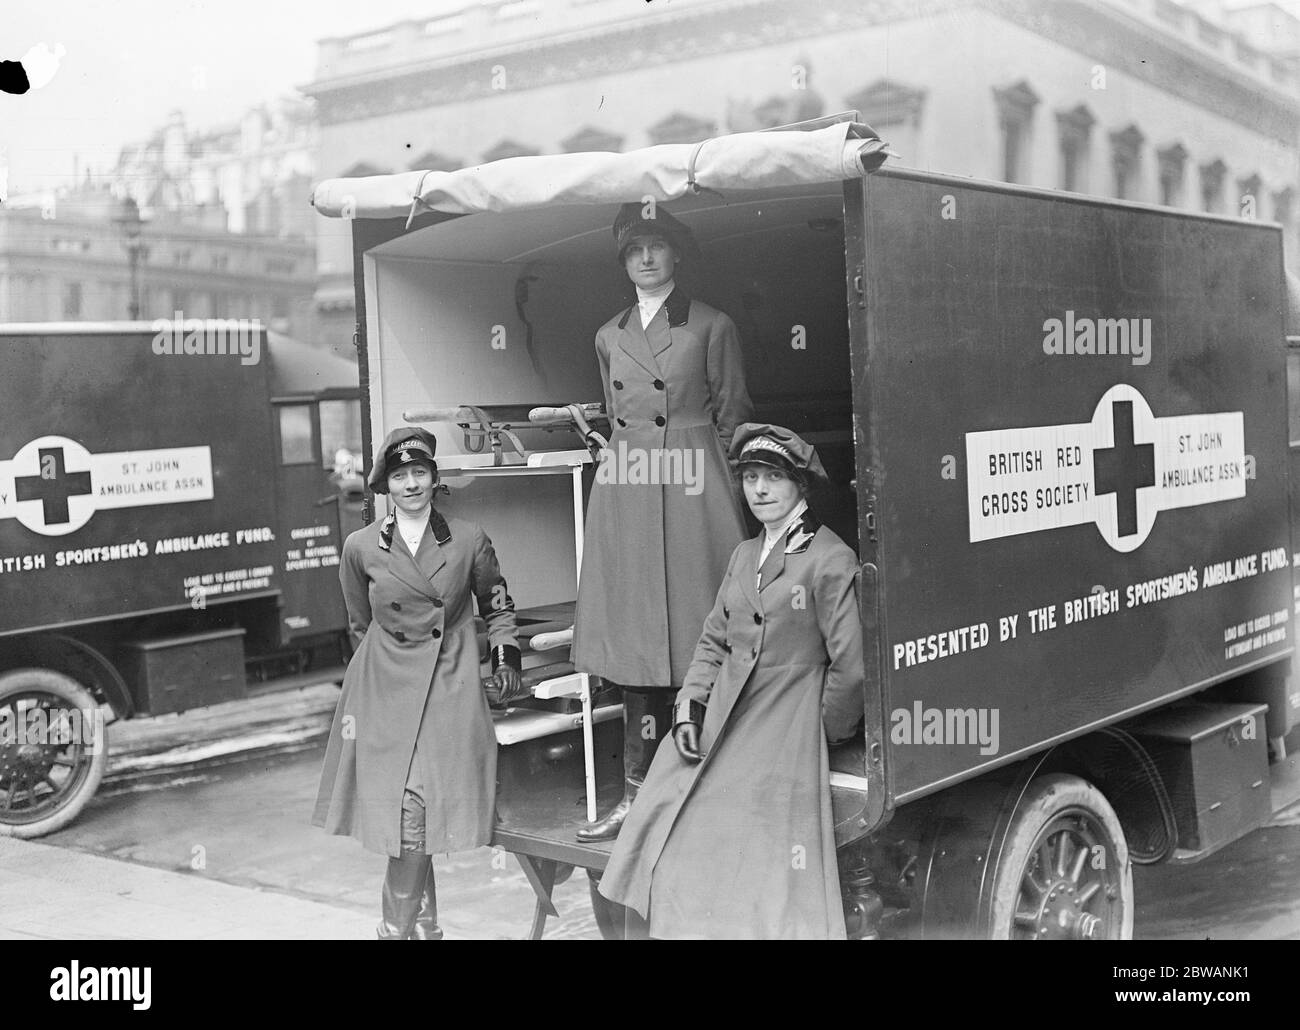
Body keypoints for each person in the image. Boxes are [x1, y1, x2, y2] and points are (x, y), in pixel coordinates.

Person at [597, 423, 865, 938]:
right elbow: (713, 641)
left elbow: (849, 666)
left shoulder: (829, 558)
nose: (760, 490)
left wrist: (819, 732)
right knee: (652, 832)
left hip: (782, 723)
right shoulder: (744, 555)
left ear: (800, 486)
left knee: (722, 856)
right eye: (751, 478)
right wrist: (689, 708)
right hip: (720, 718)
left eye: (773, 478)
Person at [572, 202, 754, 841]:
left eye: (657, 246)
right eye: (634, 250)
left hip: (693, 485)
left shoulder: (711, 326)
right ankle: (636, 796)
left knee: (699, 633)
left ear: (677, 254)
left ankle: (706, 788)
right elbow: (614, 412)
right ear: (623, 262)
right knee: (636, 642)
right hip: (628, 489)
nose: (646, 258)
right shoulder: (607, 333)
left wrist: (743, 507)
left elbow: (734, 420)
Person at [313, 427, 524, 939]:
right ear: (387, 485)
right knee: (408, 816)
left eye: (420, 473)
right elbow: (359, 623)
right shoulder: (360, 547)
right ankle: (413, 931)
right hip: (385, 688)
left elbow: (497, 604)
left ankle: (405, 931)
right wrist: (380, 670)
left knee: (421, 814)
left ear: (434, 479)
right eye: (401, 475)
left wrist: (504, 655)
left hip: (447, 680)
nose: (411, 484)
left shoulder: (469, 538)